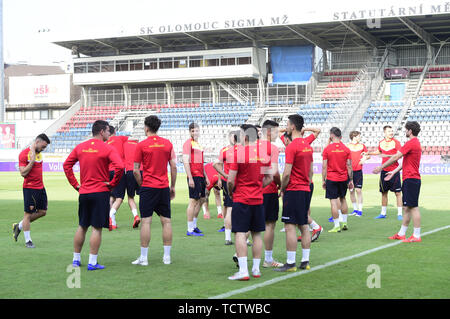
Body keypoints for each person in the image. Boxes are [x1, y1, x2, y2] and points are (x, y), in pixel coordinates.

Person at [63, 120, 124, 270]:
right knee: (97, 228)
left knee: (82, 226)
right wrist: (112, 183)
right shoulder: (107, 148)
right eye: (108, 131)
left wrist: (76, 185)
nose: (110, 134)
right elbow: (120, 167)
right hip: (100, 192)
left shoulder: (81, 146)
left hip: (84, 192)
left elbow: (66, 165)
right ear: (102, 131)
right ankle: (92, 262)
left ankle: (76, 259)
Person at [227, 124, 273, 280]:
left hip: (241, 197)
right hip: (257, 198)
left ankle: (243, 271)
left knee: (240, 233)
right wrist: (259, 188)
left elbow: (231, 180)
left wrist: (231, 191)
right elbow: (269, 178)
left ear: (245, 136)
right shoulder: (263, 155)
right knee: (257, 234)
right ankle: (256, 269)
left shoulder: (239, 153)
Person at [131, 115, 177, 266]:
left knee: (146, 222)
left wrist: (142, 185)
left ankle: (144, 258)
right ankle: (167, 257)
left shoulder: (141, 145)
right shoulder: (167, 144)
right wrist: (172, 186)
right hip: (163, 187)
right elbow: (174, 166)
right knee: (166, 221)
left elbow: (136, 170)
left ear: (146, 127)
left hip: (148, 187)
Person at [275, 115, 315, 272]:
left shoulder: (291, 146)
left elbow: (286, 173)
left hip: (294, 189)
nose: (286, 127)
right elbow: (311, 170)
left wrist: (282, 188)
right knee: (304, 225)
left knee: (290, 226)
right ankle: (305, 261)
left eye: (287, 124)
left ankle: (290, 263)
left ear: (292, 127)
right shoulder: (307, 145)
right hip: (305, 188)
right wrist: (307, 182)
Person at [373, 121, 423, 242]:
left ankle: (416, 235)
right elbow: (405, 162)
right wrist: (393, 172)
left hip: (411, 179)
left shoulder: (411, 143)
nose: (405, 131)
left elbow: (396, 157)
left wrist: (381, 167)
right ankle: (401, 234)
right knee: (407, 208)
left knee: (413, 208)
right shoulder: (415, 143)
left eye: (406, 130)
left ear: (410, 131)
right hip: (409, 178)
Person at [13, 134, 51, 248]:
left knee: (43, 212)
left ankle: (19, 226)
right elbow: (23, 173)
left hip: (41, 187)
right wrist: (32, 160)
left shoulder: (40, 154)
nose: (43, 149)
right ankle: (28, 240)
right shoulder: (24, 154)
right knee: (28, 214)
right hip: (30, 188)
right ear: (37, 142)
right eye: (43, 146)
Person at [259, 120, 283, 268]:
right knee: (269, 225)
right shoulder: (272, 148)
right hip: (268, 189)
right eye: (275, 132)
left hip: (252, 190)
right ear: (269, 132)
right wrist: (280, 184)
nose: (277, 135)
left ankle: (238, 254)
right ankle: (268, 259)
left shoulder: (251, 147)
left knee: (250, 225)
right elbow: (273, 172)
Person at [367, 125, 403, 220]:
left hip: (394, 171)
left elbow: (399, 155)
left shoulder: (396, 142)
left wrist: (386, 155)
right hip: (384, 171)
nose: (391, 132)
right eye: (389, 131)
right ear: (384, 133)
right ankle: (383, 213)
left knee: (398, 193)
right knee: (384, 192)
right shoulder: (381, 143)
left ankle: (400, 214)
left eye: (392, 131)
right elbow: (379, 152)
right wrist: (368, 153)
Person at [322, 127, 353, 233]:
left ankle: (336, 226)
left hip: (331, 178)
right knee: (343, 199)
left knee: (333, 202)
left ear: (331, 135)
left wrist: (323, 179)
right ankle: (344, 222)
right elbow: (349, 166)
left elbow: (324, 166)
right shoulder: (346, 149)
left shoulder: (327, 149)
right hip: (343, 178)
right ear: (341, 136)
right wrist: (351, 180)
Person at [183, 123, 209, 236]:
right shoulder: (188, 144)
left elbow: (201, 162)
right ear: (190, 132)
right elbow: (185, 161)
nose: (195, 133)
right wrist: (190, 177)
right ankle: (190, 229)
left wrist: (206, 176)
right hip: (193, 175)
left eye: (197, 131)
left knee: (202, 199)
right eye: (193, 131)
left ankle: (194, 225)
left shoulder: (198, 145)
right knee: (193, 201)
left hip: (200, 176)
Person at [214, 130, 239, 245]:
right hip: (237, 182)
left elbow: (217, 164)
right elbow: (219, 164)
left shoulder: (226, 151)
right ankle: (243, 237)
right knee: (237, 208)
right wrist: (221, 177)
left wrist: (224, 176)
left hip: (228, 181)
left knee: (229, 207)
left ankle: (228, 237)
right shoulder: (243, 151)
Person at [107, 126, 129, 230]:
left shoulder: (105, 143)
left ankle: (113, 222)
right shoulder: (120, 138)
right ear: (114, 132)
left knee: (112, 197)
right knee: (120, 198)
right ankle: (110, 216)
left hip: (108, 172)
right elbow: (132, 140)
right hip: (118, 170)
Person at [347, 131, 369, 217]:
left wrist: (365, 158)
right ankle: (355, 209)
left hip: (358, 170)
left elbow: (368, 155)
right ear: (354, 136)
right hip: (349, 171)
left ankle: (360, 210)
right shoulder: (347, 146)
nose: (360, 137)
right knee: (351, 190)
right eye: (359, 136)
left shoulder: (362, 146)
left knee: (358, 190)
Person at [123, 138, 142, 228]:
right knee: (143, 195)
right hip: (141, 171)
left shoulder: (124, 144)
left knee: (130, 197)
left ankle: (136, 216)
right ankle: (145, 216)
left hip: (130, 171)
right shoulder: (140, 145)